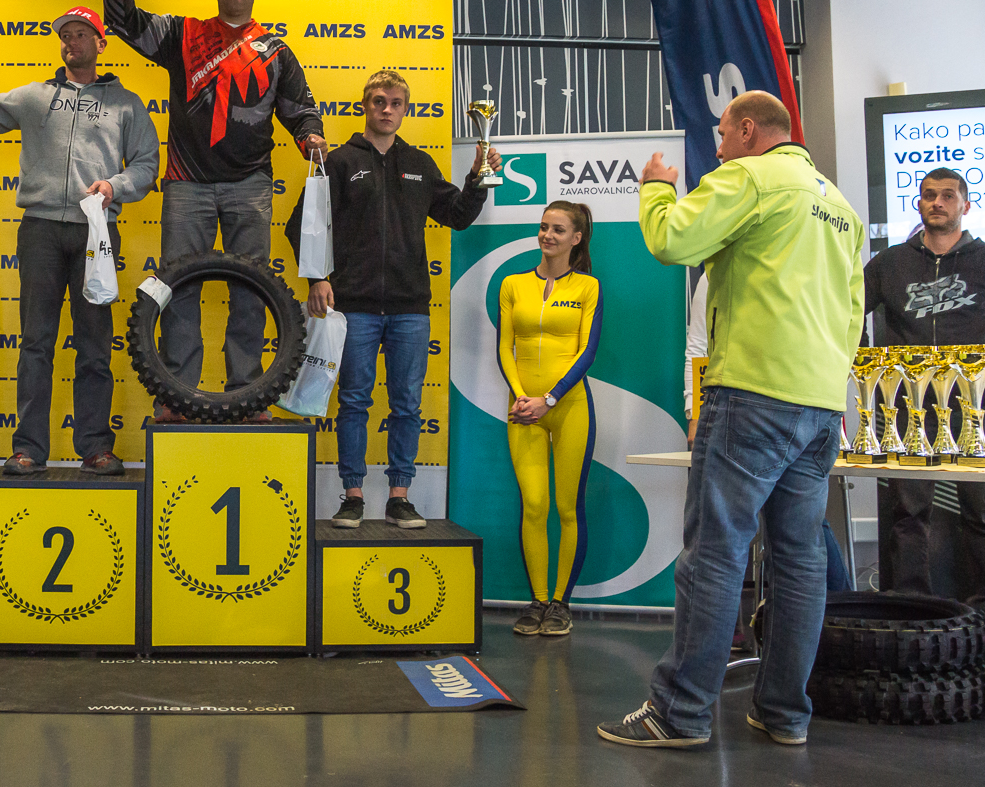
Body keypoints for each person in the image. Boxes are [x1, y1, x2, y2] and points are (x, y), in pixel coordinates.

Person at [599, 90, 863, 749]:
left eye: (721, 135)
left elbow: (671, 241)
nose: (716, 150)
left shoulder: (750, 176)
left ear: (748, 130)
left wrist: (657, 189)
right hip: (821, 400)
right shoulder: (839, 205)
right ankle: (784, 713)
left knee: (715, 555)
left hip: (752, 390)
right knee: (799, 561)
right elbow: (852, 313)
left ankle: (679, 713)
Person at [102, 0, 326, 410]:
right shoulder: (183, 34)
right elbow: (124, 21)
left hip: (251, 185)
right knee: (177, 291)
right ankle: (177, 396)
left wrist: (310, 136)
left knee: (252, 293)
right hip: (187, 186)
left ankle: (248, 393)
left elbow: (301, 110)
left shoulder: (276, 50)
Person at [0, 6, 159, 475]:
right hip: (39, 230)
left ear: (101, 44)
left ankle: (96, 447)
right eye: (65, 35)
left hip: (96, 232)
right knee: (36, 342)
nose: (71, 41)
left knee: (95, 344)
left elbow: (146, 164)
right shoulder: (35, 96)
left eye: (81, 34)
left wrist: (114, 186)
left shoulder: (126, 104)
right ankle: (28, 449)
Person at [283, 71, 495, 528]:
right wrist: (317, 277)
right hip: (353, 305)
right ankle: (352, 496)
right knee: (354, 402)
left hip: (409, 307)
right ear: (365, 105)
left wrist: (477, 177)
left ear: (405, 110)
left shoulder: (420, 163)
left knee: (407, 405)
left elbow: (457, 215)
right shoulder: (338, 162)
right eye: (379, 100)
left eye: (396, 103)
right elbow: (301, 224)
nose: (387, 109)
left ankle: (400, 496)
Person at [864, 166, 985, 611]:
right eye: (929, 194)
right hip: (907, 407)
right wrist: (867, 364)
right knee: (907, 513)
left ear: (965, 206)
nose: (937, 202)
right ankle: (910, 607)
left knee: (983, 512)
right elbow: (847, 309)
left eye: (948, 195)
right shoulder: (890, 264)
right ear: (918, 203)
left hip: (975, 407)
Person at [686, 271, 853, 595]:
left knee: (728, 539)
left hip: (767, 405)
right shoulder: (718, 272)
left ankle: (841, 613)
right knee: (794, 541)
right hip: (780, 403)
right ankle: (841, 611)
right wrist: (695, 410)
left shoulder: (803, 263)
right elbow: (698, 346)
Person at [495, 201, 602, 637]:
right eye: (543, 227)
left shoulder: (588, 287)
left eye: (558, 229)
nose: (547, 235)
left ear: (576, 238)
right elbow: (504, 347)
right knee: (535, 505)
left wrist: (550, 398)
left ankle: (561, 603)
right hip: (523, 409)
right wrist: (523, 396)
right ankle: (538, 600)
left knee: (566, 508)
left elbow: (588, 351)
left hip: (569, 407)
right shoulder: (512, 284)